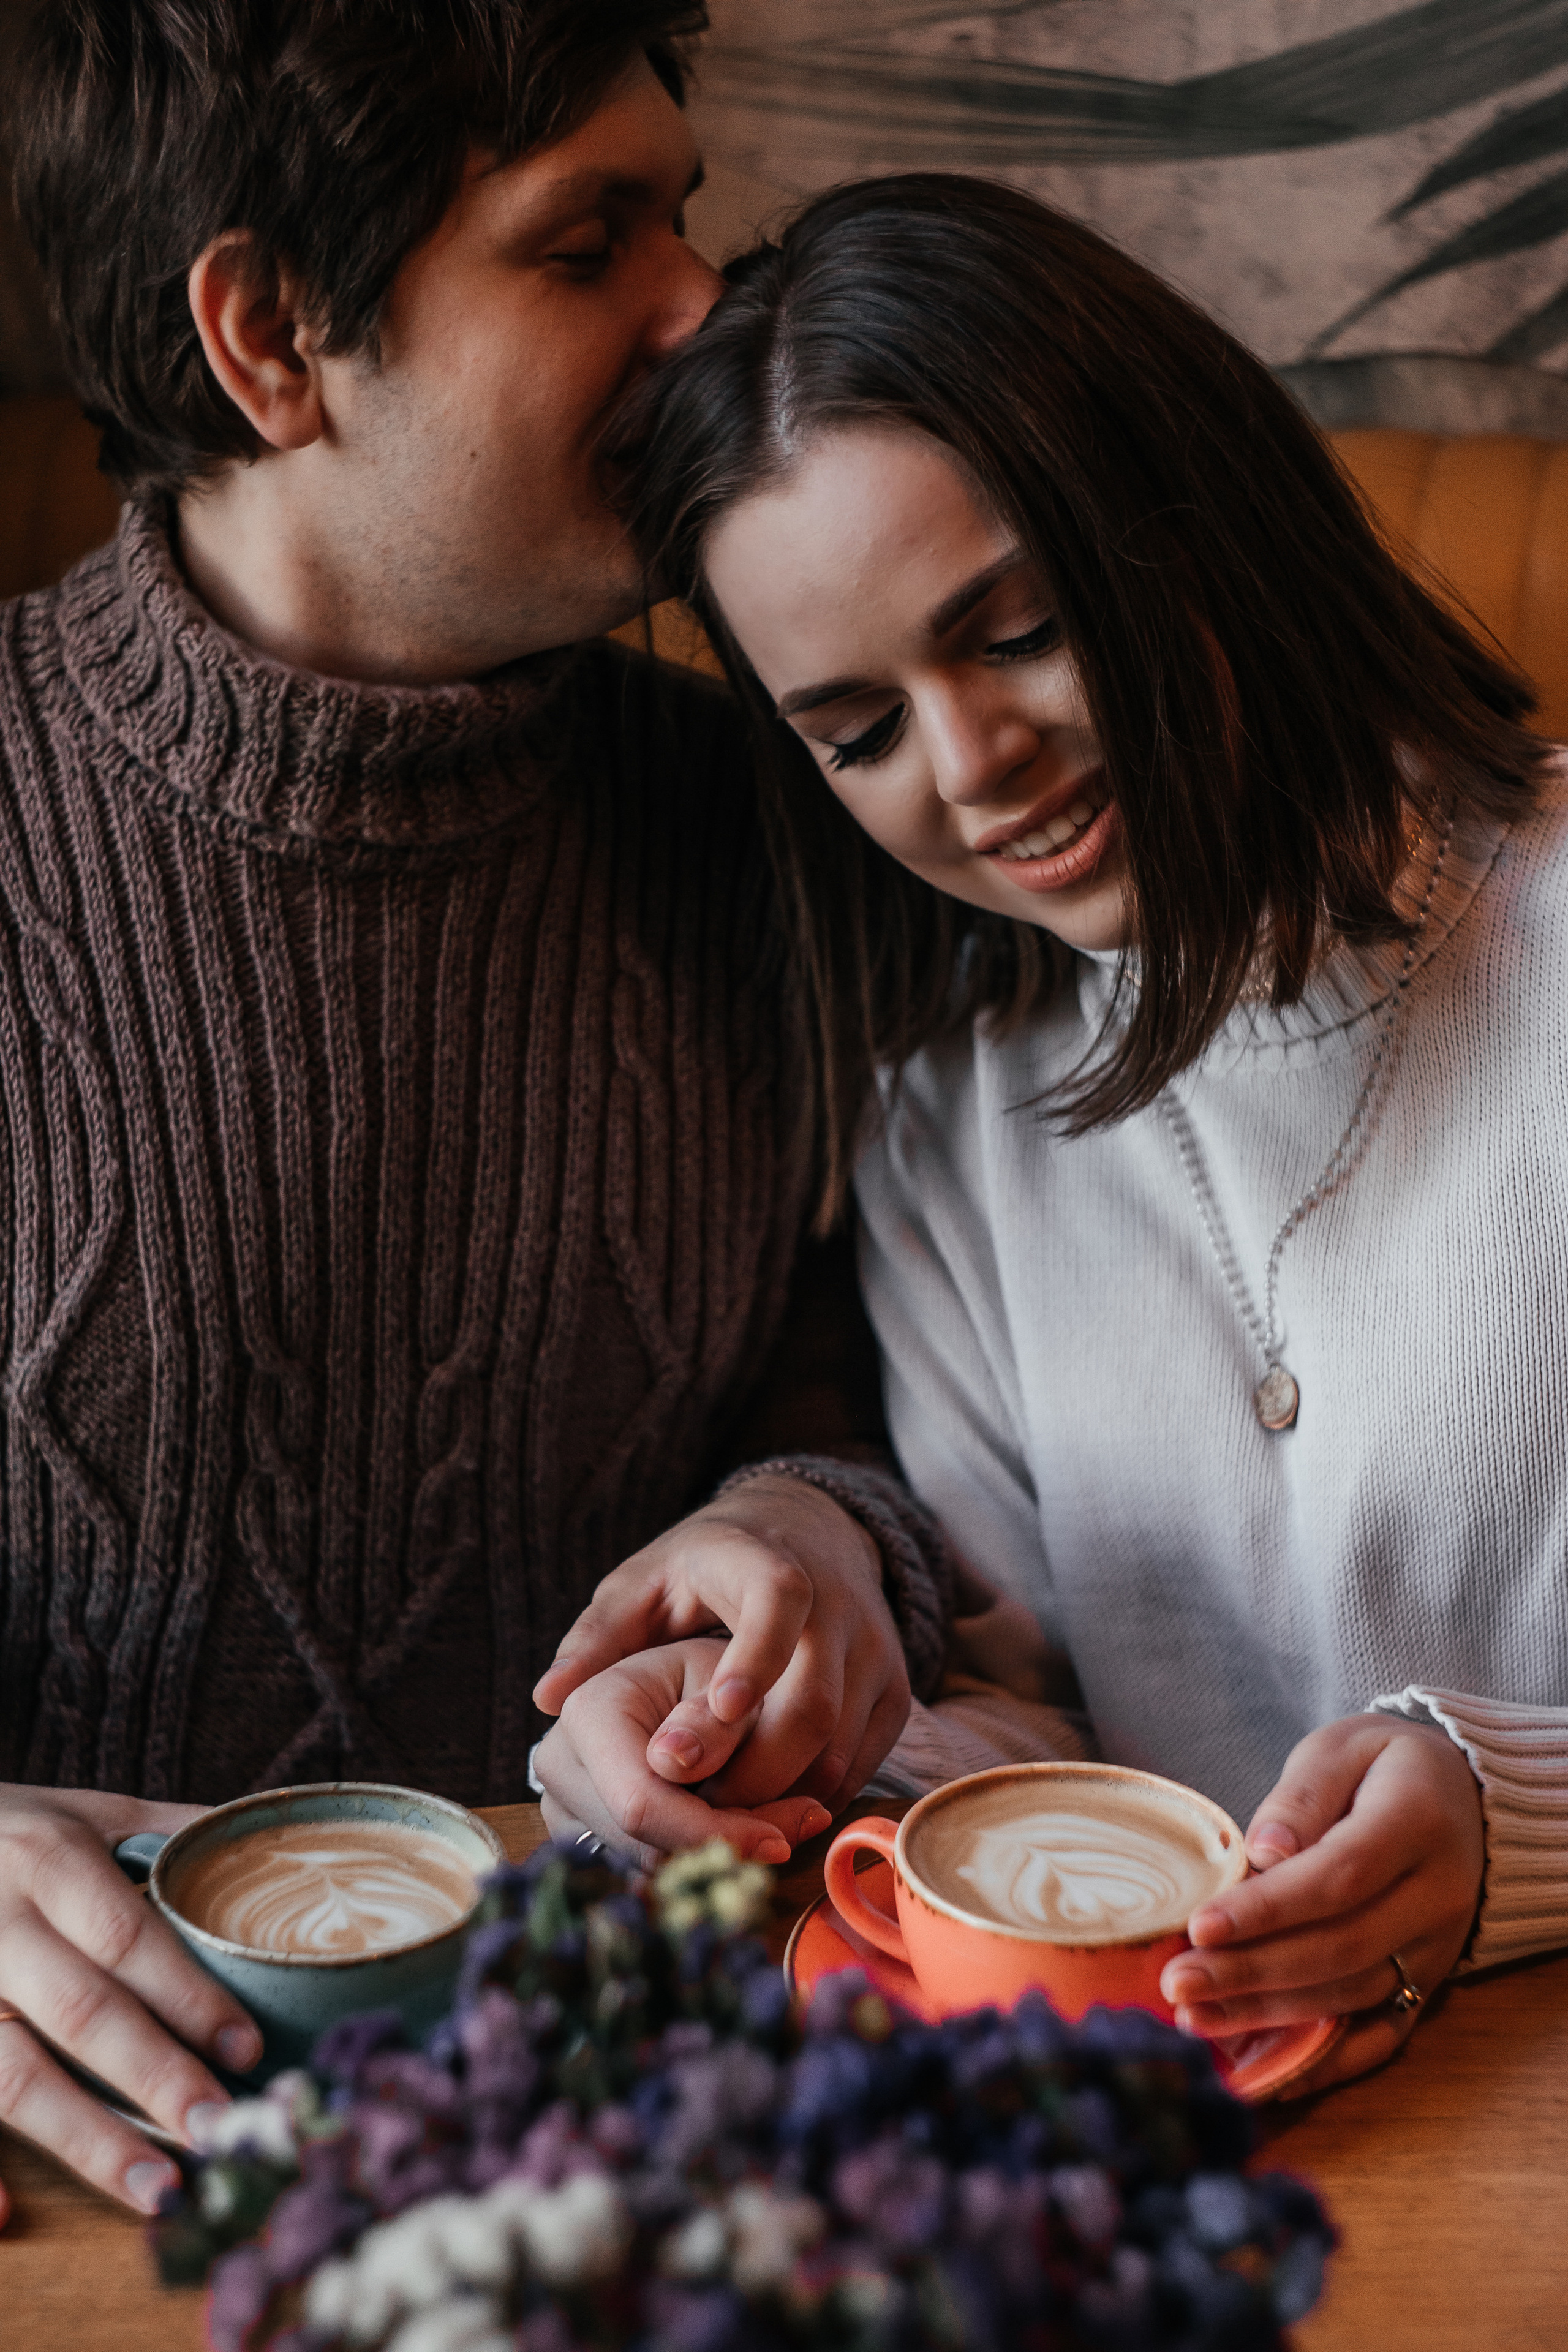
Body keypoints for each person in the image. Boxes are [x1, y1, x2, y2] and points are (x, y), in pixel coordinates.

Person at [0, 4, 961, 2217]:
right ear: (269, 337)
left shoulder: (803, 800)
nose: (700, 304)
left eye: (683, 214)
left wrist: (822, 1524)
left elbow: (903, 1374)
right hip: (79, 2177)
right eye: (581, 238)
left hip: (667, 2141)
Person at [624, 170, 1568, 2092]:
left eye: (1021, 629)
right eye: (858, 728)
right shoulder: (950, 1108)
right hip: (1183, 2166)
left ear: (1198, 513)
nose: (974, 769)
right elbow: (1022, 1719)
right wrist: (772, 1751)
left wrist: (1518, 1822)